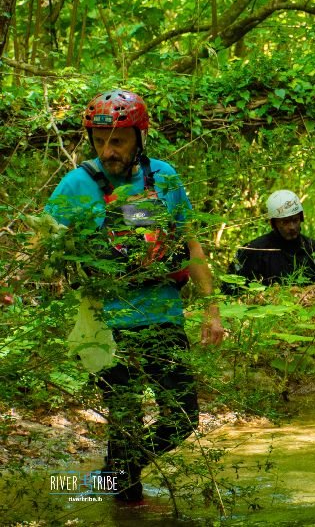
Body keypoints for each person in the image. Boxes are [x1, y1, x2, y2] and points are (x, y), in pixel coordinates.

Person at [45, 89, 224, 502]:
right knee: (124, 420)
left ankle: (113, 478)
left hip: (163, 314)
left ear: (139, 136)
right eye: (99, 140)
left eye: (118, 141)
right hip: (109, 322)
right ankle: (127, 499)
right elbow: (42, 244)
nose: (108, 150)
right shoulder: (76, 184)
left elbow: (192, 245)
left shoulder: (166, 178)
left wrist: (212, 309)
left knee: (182, 419)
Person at [223, 190, 315, 294]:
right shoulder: (253, 250)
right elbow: (230, 288)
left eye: (295, 220)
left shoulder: (314, 248)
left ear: (301, 218)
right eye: (285, 222)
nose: (292, 227)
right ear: (273, 223)